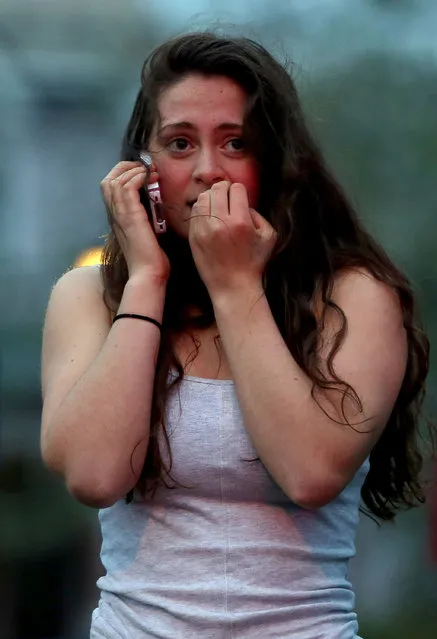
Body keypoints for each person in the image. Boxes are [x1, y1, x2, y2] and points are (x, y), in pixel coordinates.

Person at [40, 32, 431, 638]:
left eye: (234, 143)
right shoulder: (87, 296)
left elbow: (311, 473)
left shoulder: (354, 296)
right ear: (142, 171)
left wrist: (236, 287)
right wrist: (147, 278)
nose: (205, 171)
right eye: (179, 143)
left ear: (275, 161)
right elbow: (95, 475)